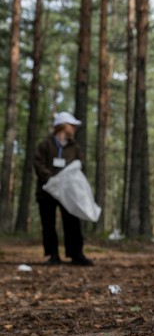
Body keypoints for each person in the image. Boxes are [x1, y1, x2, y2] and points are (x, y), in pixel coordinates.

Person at [34, 112, 93, 266]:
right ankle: (52, 255)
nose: (73, 128)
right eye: (71, 125)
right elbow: (38, 164)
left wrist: (68, 179)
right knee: (48, 223)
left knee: (72, 221)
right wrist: (50, 179)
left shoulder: (75, 147)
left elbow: (80, 164)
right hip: (47, 191)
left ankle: (76, 254)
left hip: (68, 192)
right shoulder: (46, 144)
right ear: (62, 126)